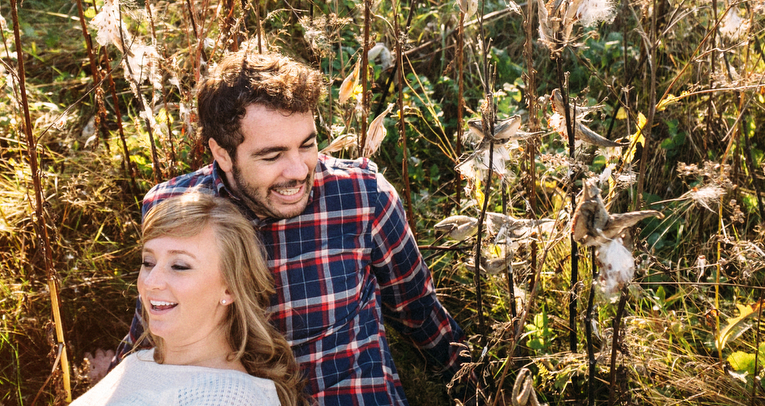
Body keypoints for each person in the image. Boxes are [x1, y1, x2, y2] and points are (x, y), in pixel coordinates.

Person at [113, 51, 470, 406]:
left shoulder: (362, 197)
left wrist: (477, 387)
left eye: (307, 144)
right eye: (272, 155)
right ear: (222, 154)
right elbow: (151, 327)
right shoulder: (174, 206)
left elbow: (418, 309)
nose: (299, 170)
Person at [74, 191, 304, 406]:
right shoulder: (140, 362)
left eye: (180, 266)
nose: (151, 281)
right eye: (148, 262)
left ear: (230, 289)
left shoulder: (227, 397)